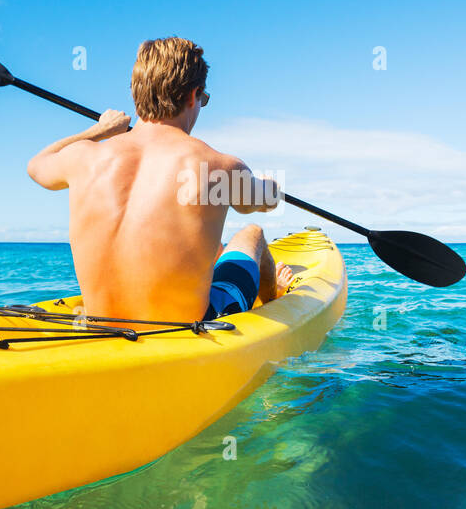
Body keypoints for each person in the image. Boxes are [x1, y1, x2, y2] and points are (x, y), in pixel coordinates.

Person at [26, 37, 295, 323]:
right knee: (251, 234)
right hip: (189, 327)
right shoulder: (218, 167)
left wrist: (100, 130)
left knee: (214, 248)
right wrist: (270, 184)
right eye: (204, 100)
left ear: (135, 94)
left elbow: (36, 165)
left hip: (103, 324)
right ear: (193, 95)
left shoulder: (84, 157)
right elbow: (266, 202)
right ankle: (274, 297)